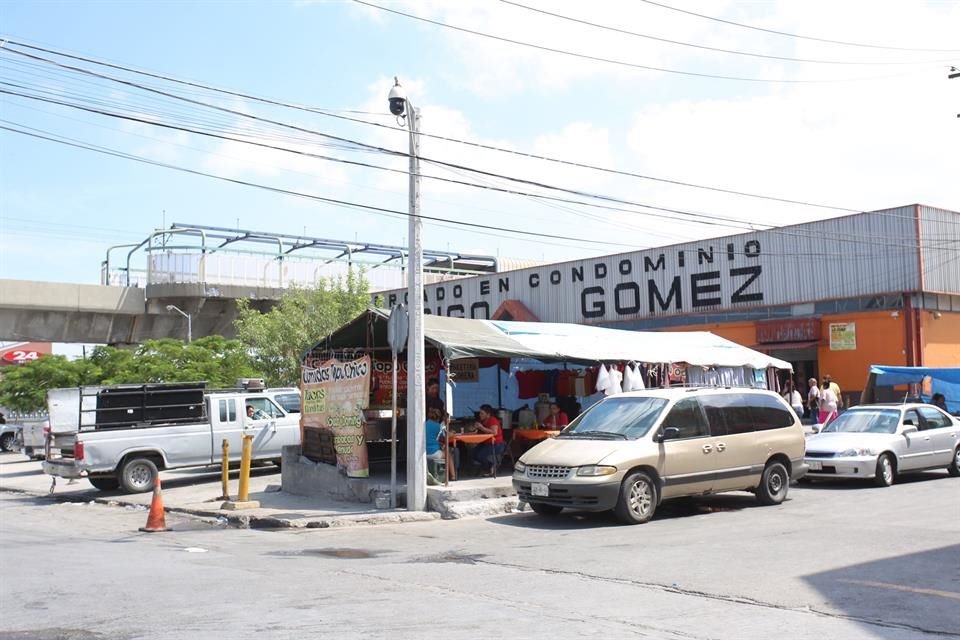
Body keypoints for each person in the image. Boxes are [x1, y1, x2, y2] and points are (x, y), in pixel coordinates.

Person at [472, 404, 505, 477]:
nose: (480, 415)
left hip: (496, 444)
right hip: (486, 443)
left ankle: (490, 467)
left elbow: (494, 432)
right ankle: (489, 466)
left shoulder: (492, 420)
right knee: (473, 453)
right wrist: (475, 428)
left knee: (481, 455)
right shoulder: (483, 421)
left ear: (488, 414)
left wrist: (481, 427)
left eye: (482, 413)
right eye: (480, 413)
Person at [425, 407, 455, 482]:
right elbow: (446, 436)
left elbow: (433, 438)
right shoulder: (438, 426)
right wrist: (452, 433)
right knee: (449, 455)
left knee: (445, 449)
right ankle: (453, 476)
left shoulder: (424, 424)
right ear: (439, 418)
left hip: (425, 452)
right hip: (434, 453)